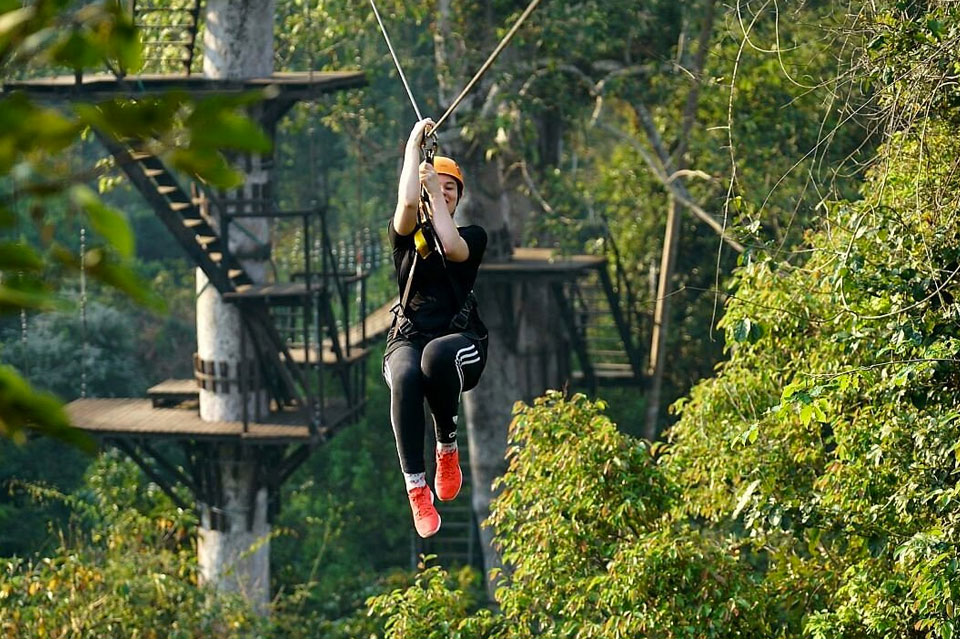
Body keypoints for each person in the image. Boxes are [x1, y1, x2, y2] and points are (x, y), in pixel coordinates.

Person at [383, 118, 489, 538]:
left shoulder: (472, 236)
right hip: (407, 335)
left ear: (458, 198)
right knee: (407, 374)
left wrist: (434, 194)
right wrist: (413, 148)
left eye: (451, 188)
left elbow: (451, 247)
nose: (441, 191)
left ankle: (447, 444)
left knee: (435, 357)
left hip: (461, 341)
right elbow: (408, 206)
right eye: (437, 184)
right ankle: (417, 488)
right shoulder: (405, 235)